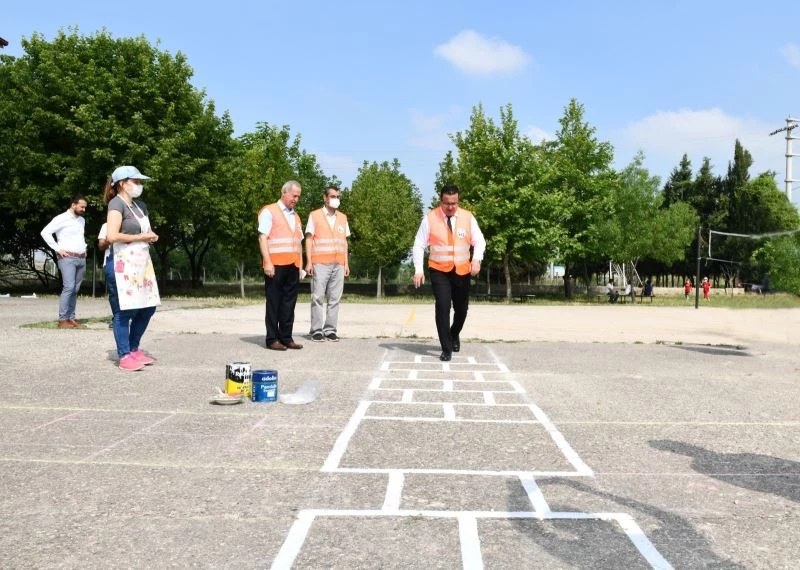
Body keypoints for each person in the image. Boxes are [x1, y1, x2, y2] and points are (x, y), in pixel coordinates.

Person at [412, 184, 485, 361]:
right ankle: (446, 348)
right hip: (439, 270)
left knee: (462, 309)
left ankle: (454, 334)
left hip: (462, 270)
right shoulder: (430, 218)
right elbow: (419, 244)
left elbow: (480, 241)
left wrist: (476, 259)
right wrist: (418, 270)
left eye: (454, 203)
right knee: (443, 306)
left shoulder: (468, 217)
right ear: (441, 201)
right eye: (447, 203)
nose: (451, 207)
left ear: (458, 201)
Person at [104, 166, 161, 371]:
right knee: (124, 311)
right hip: (121, 265)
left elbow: (146, 230)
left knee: (148, 306)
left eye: (140, 182)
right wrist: (142, 237)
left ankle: (134, 347)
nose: (139, 185)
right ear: (122, 184)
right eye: (135, 181)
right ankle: (124, 354)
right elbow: (112, 236)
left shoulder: (140, 206)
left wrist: (151, 235)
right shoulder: (116, 204)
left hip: (142, 264)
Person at [258, 180, 304, 351]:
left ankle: (286, 337)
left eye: (298, 196)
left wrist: (300, 265)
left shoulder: (296, 216)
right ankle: (272, 339)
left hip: (293, 265)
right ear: (284, 192)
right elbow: (263, 238)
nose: (296, 199)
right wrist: (267, 262)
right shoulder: (269, 211)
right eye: (294, 195)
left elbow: (298, 241)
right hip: (275, 264)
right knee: (274, 302)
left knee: (289, 303)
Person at [305, 186, 350, 342]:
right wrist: (309, 262)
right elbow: (309, 239)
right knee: (317, 296)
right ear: (325, 197)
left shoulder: (343, 218)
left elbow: (344, 241)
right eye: (332, 196)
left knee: (334, 298)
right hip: (320, 263)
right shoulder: (315, 215)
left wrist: (346, 263)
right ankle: (316, 330)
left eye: (338, 196)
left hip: (338, 264)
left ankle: (330, 329)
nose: (335, 199)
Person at [40, 194, 89, 328]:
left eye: (85, 207)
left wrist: (85, 249)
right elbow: (45, 232)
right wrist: (57, 249)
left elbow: (79, 237)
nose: (84, 210)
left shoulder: (81, 220)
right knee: (69, 287)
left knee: (76, 288)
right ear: (73, 205)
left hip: (81, 258)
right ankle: (62, 319)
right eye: (81, 207)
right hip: (67, 258)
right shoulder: (61, 218)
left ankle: (71, 318)